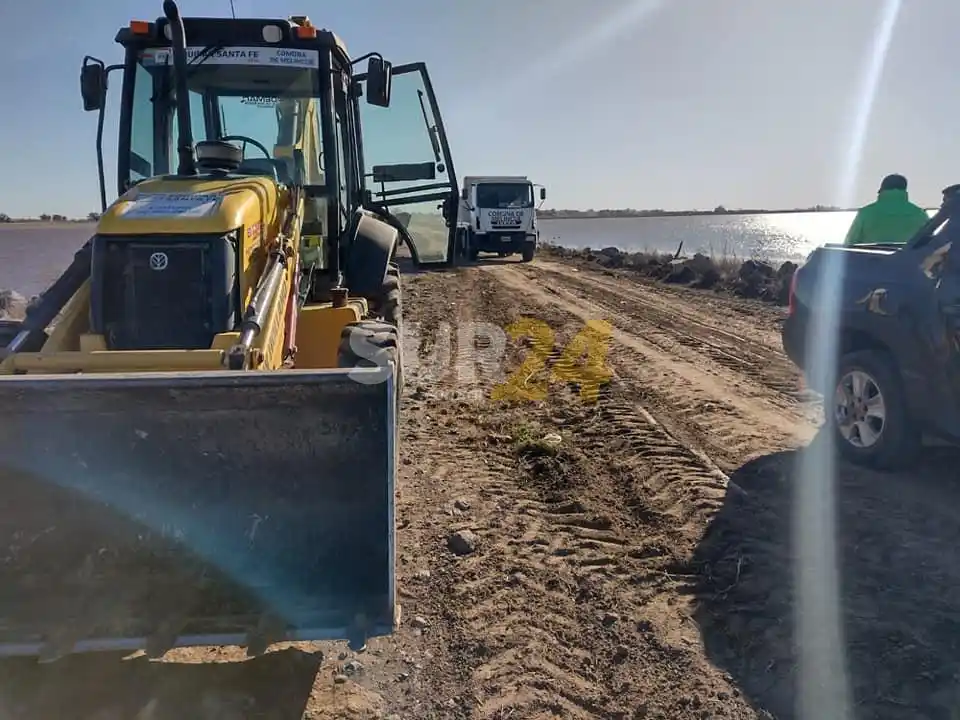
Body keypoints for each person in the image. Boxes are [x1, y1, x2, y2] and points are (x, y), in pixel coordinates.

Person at [843, 173, 930, 246]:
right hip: (908, 264)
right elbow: (929, 243)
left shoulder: (866, 213)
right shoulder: (920, 214)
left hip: (871, 264)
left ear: (882, 190)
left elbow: (850, 243)